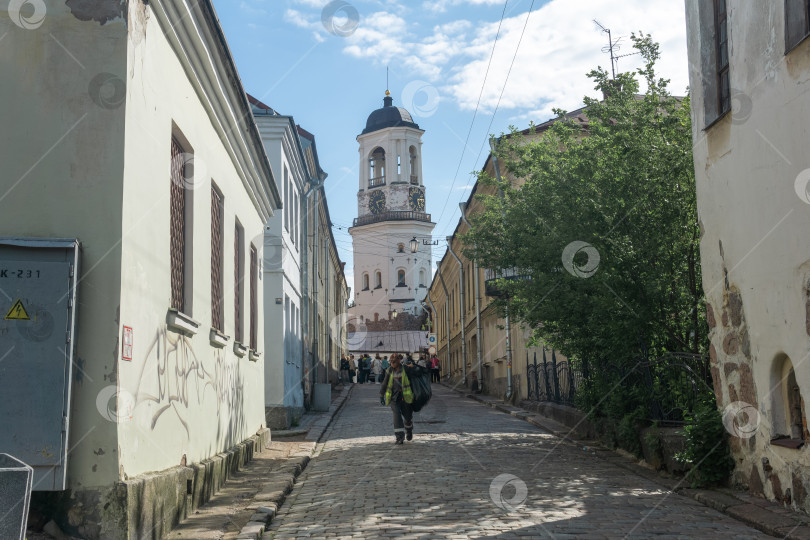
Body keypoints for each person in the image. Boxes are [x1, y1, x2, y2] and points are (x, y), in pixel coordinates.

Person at [380, 354, 414, 444]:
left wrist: (413, 366)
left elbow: (416, 375)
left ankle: (409, 430)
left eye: (394, 362)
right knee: (397, 416)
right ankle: (399, 437)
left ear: (399, 361)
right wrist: (381, 395)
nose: (392, 363)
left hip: (406, 398)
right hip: (394, 398)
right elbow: (384, 383)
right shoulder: (389, 370)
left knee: (407, 418)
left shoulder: (405, 369)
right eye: (391, 362)